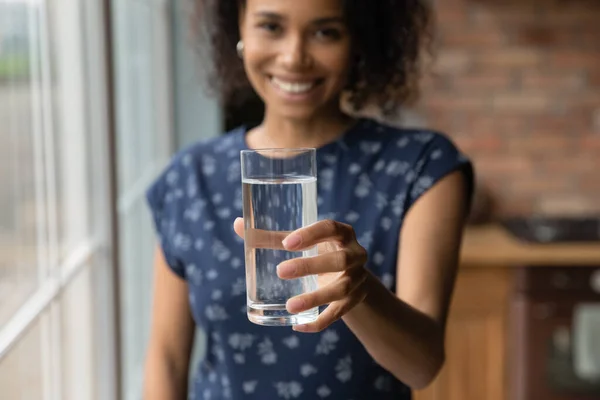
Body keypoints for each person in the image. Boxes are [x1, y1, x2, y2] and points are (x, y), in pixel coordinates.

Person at [143, 0, 475, 399]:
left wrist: (360, 292)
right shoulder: (190, 175)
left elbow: (421, 367)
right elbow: (167, 358)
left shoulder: (421, 167)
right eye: (271, 27)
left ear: (358, 42)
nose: (294, 57)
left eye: (325, 32)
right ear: (240, 32)